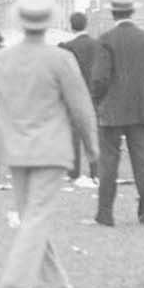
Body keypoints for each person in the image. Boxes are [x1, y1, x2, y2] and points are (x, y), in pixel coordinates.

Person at [0, 0, 100, 288]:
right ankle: (15, 283)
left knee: (30, 214)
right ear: (49, 23)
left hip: (14, 145)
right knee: (36, 215)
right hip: (50, 146)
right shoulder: (60, 59)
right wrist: (93, 147)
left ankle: (52, 279)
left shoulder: (3, 58)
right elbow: (81, 108)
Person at [90, 0, 144, 228]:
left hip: (111, 110)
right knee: (142, 162)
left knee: (109, 163)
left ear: (113, 12)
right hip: (141, 109)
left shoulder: (105, 39)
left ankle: (105, 215)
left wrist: (96, 100)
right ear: (133, 11)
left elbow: (100, 78)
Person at [61, 12, 99, 180]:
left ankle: (74, 172)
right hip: (94, 95)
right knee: (93, 134)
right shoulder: (98, 45)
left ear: (71, 25)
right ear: (87, 24)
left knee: (73, 136)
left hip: (73, 96)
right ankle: (95, 172)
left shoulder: (66, 47)